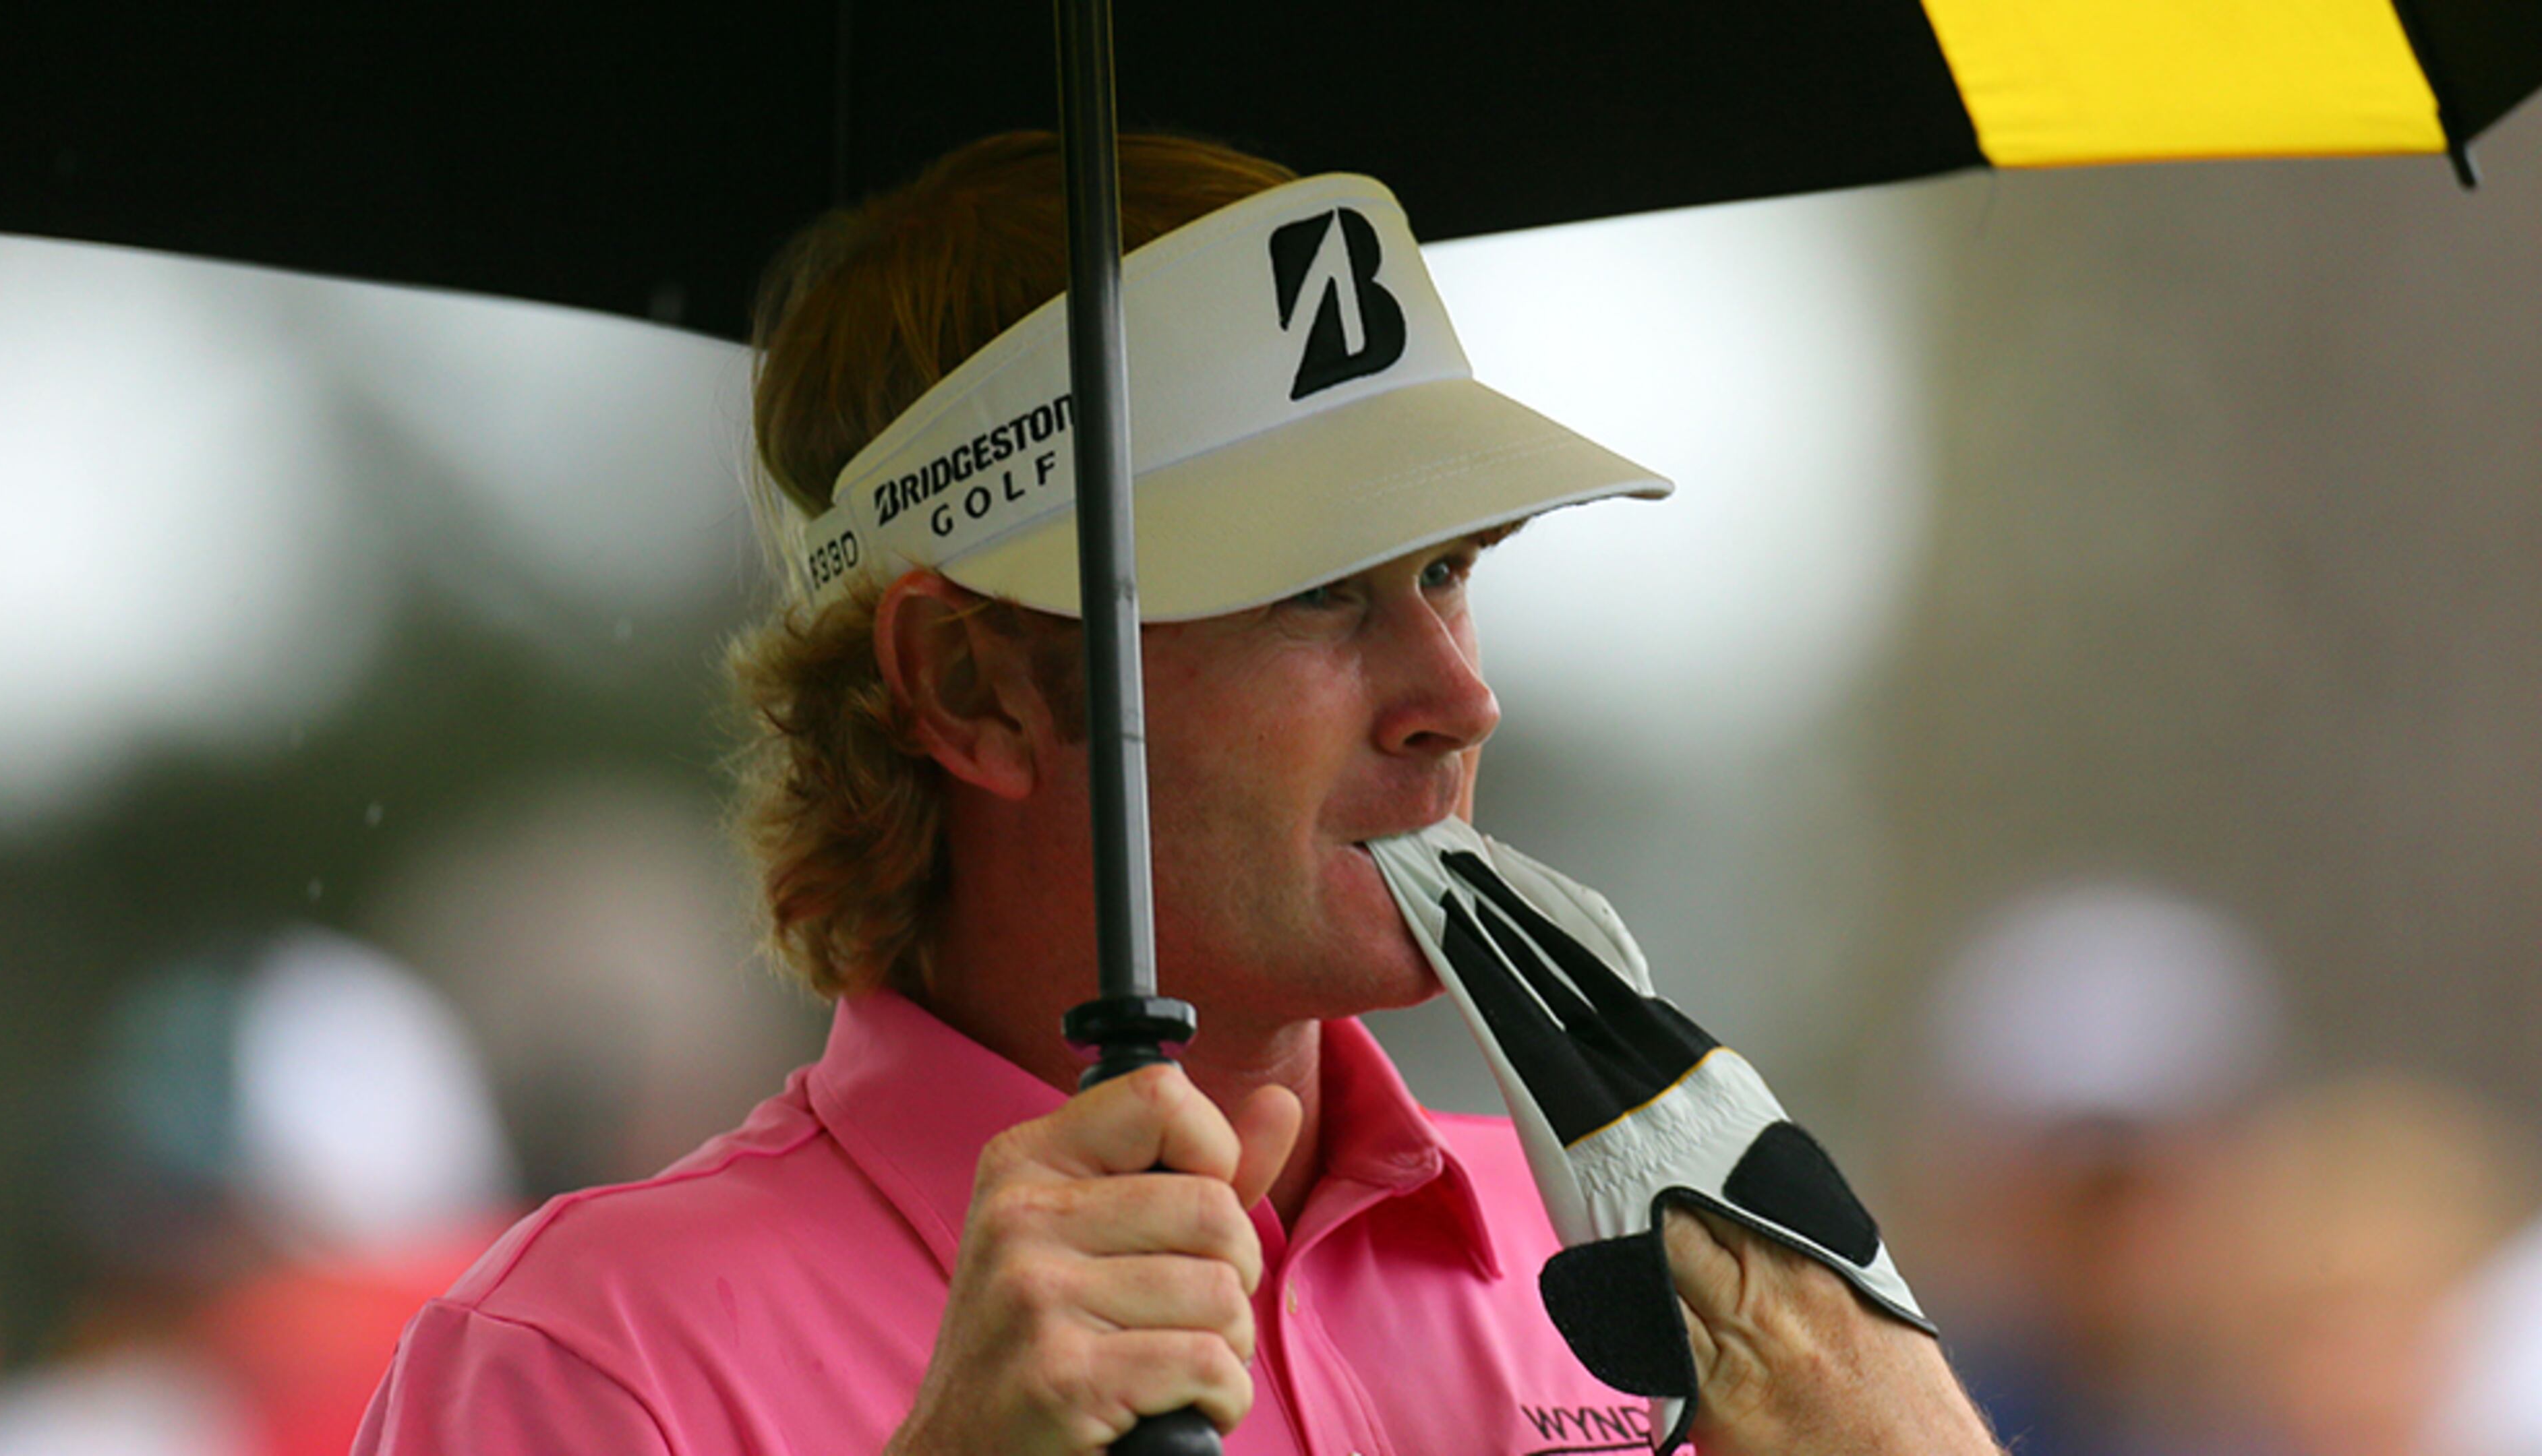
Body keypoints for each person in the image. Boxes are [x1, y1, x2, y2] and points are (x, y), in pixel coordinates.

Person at [353, 132, 1998, 1456]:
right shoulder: (578, 1365)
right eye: (1315, 595)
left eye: (1444, 570)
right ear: (974, 687)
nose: (1457, 698)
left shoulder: (1645, 1277)